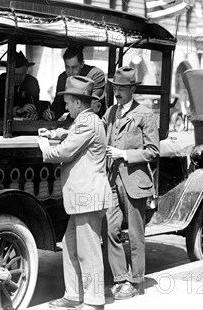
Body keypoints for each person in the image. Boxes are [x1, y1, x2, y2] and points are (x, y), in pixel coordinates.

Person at [38, 76, 113, 310]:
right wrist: (58, 133)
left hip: (87, 196)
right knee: (70, 245)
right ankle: (73, 295)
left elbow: (65, 152)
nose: (66, 107)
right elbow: (73, 136)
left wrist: (44, 147)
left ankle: (93, 300)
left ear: (79, 104)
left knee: (88, 251)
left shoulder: (86, 123)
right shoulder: (86, 120)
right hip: (83, 197)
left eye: (68, 103)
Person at [101, 66, 159, 300]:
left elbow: (154, 152)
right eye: (115, 87)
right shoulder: (111, 111)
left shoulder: (145, 114)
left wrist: (124, 154)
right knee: (111, 230)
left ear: (132, 89)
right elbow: (99, 129)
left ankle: (136, 281)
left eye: (122, 88)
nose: (118, 92)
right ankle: (120, 278)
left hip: (135, 182)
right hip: (113, 180)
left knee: (135, 234)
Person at [45, 46, 106, 121]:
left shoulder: (96, 75)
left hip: (92, 123)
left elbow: (93, 107)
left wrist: (68, 120)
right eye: (67, 67)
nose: (70, 72)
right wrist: (51, 114)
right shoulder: (63, 78)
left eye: (74, 67)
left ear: (82, 64)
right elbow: (59, 105)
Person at [0, 51, 40, 119]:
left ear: (26, 70)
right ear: (7, 70)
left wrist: (34, 113)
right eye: (14, 74)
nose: (18, 78)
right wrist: (17, 110)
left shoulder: (32, 82)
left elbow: (36, 105)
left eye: (22, 74)